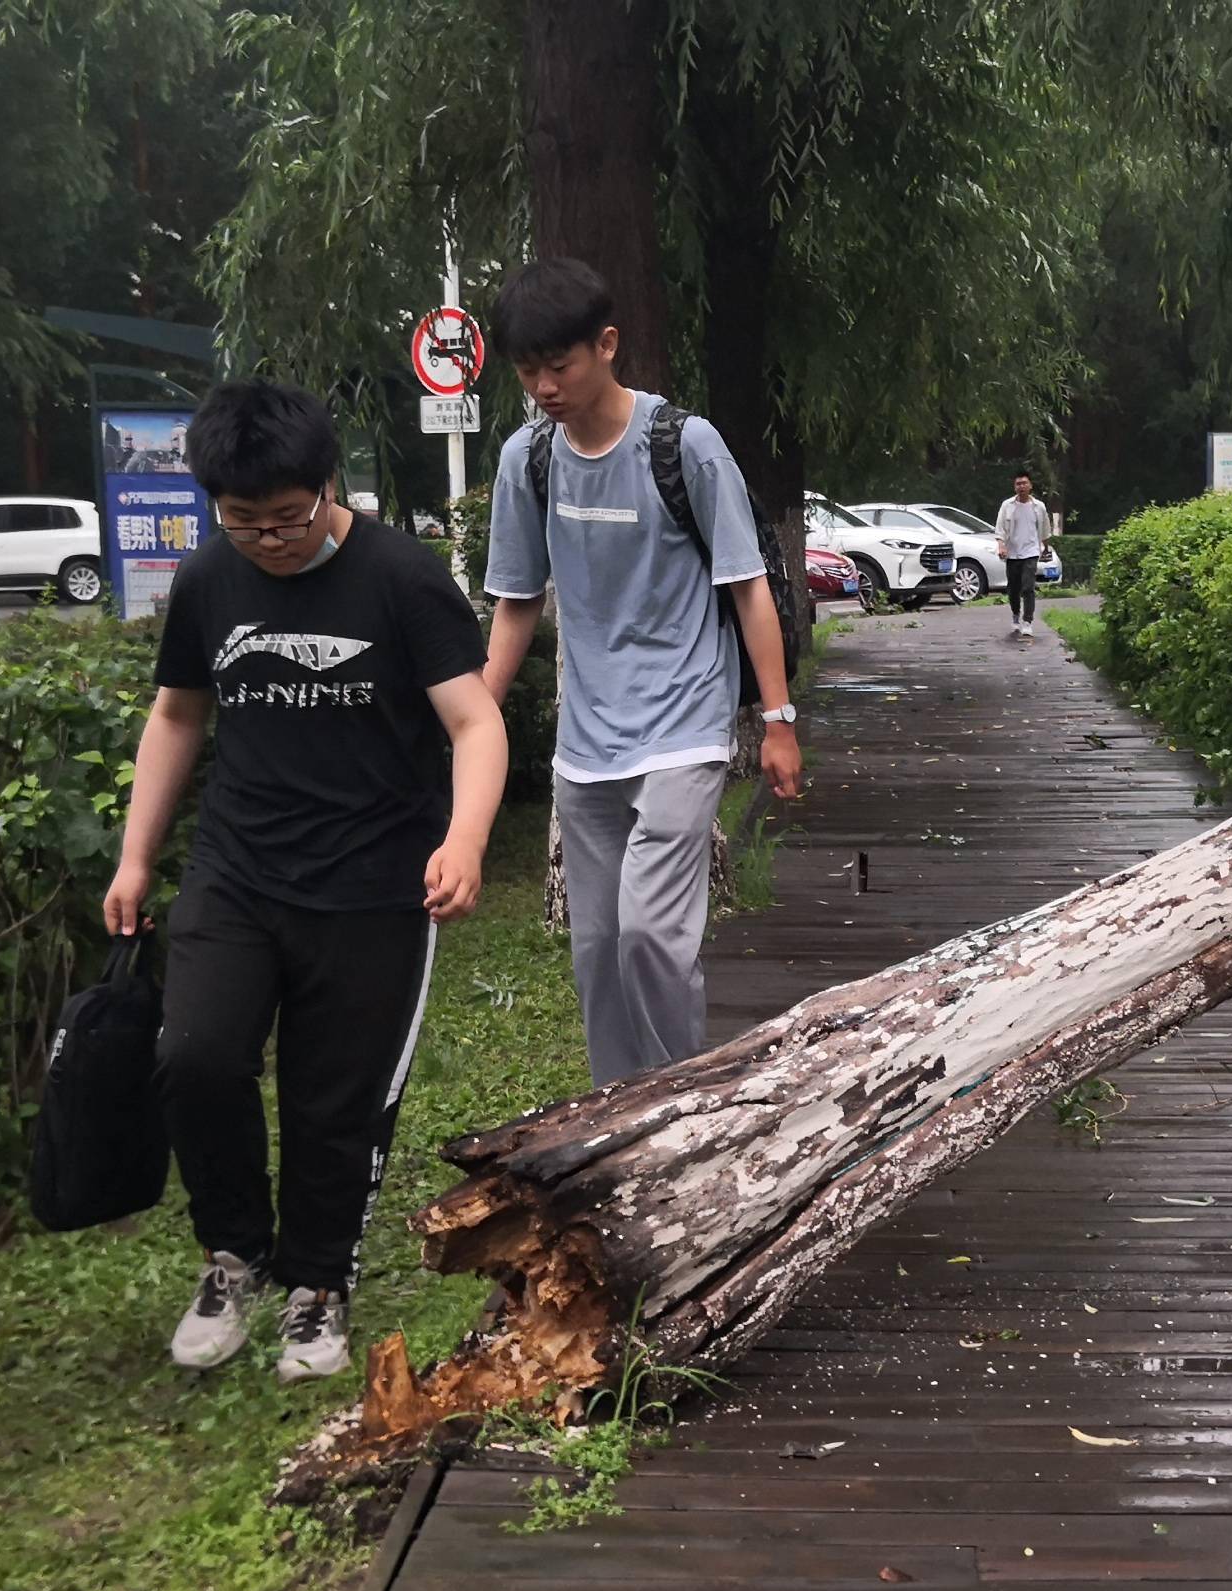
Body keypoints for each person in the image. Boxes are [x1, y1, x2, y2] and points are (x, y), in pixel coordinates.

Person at [104, 378, 508, 1381]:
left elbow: (475, 721)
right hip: (238, 871)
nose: (270, 541)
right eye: (245, 523)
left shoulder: (401, 579)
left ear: (327, 485)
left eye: (288, 519)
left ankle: (318, 1285)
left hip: (373, 888)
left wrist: (463, 839)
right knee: (195, 1058)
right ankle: (234, 1252)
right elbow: (178, 714)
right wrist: (136, 854)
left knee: (336, 1100)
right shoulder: (209, 580)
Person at [477, 257, 804, 1087]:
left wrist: (777, 721)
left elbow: (747, 588)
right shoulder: (529, 461)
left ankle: (676, 1103)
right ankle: (614, 1112)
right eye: (527, 371)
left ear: (608, 345)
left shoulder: (682, 445)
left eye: (560, 365)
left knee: (651, 936)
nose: (544, 386)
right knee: (595, 952)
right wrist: (476, 716)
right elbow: (517, 601)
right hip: (586, 740)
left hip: (684, 724)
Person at [996, 471, 1050, 637]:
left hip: (1031, 551)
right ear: (1015, 487)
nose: (1021, 487)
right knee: (1013, 589)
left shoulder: (1038, 507)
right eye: (1018, 484)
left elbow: (1044, 529)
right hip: (1012, 552)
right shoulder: (1007, 505)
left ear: (1030, 485)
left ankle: (1027, 621)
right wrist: (1001, 546)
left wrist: (1046, 548)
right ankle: (1015, 615)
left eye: (1024, 483)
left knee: (1028, 587)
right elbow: (1000, 529)